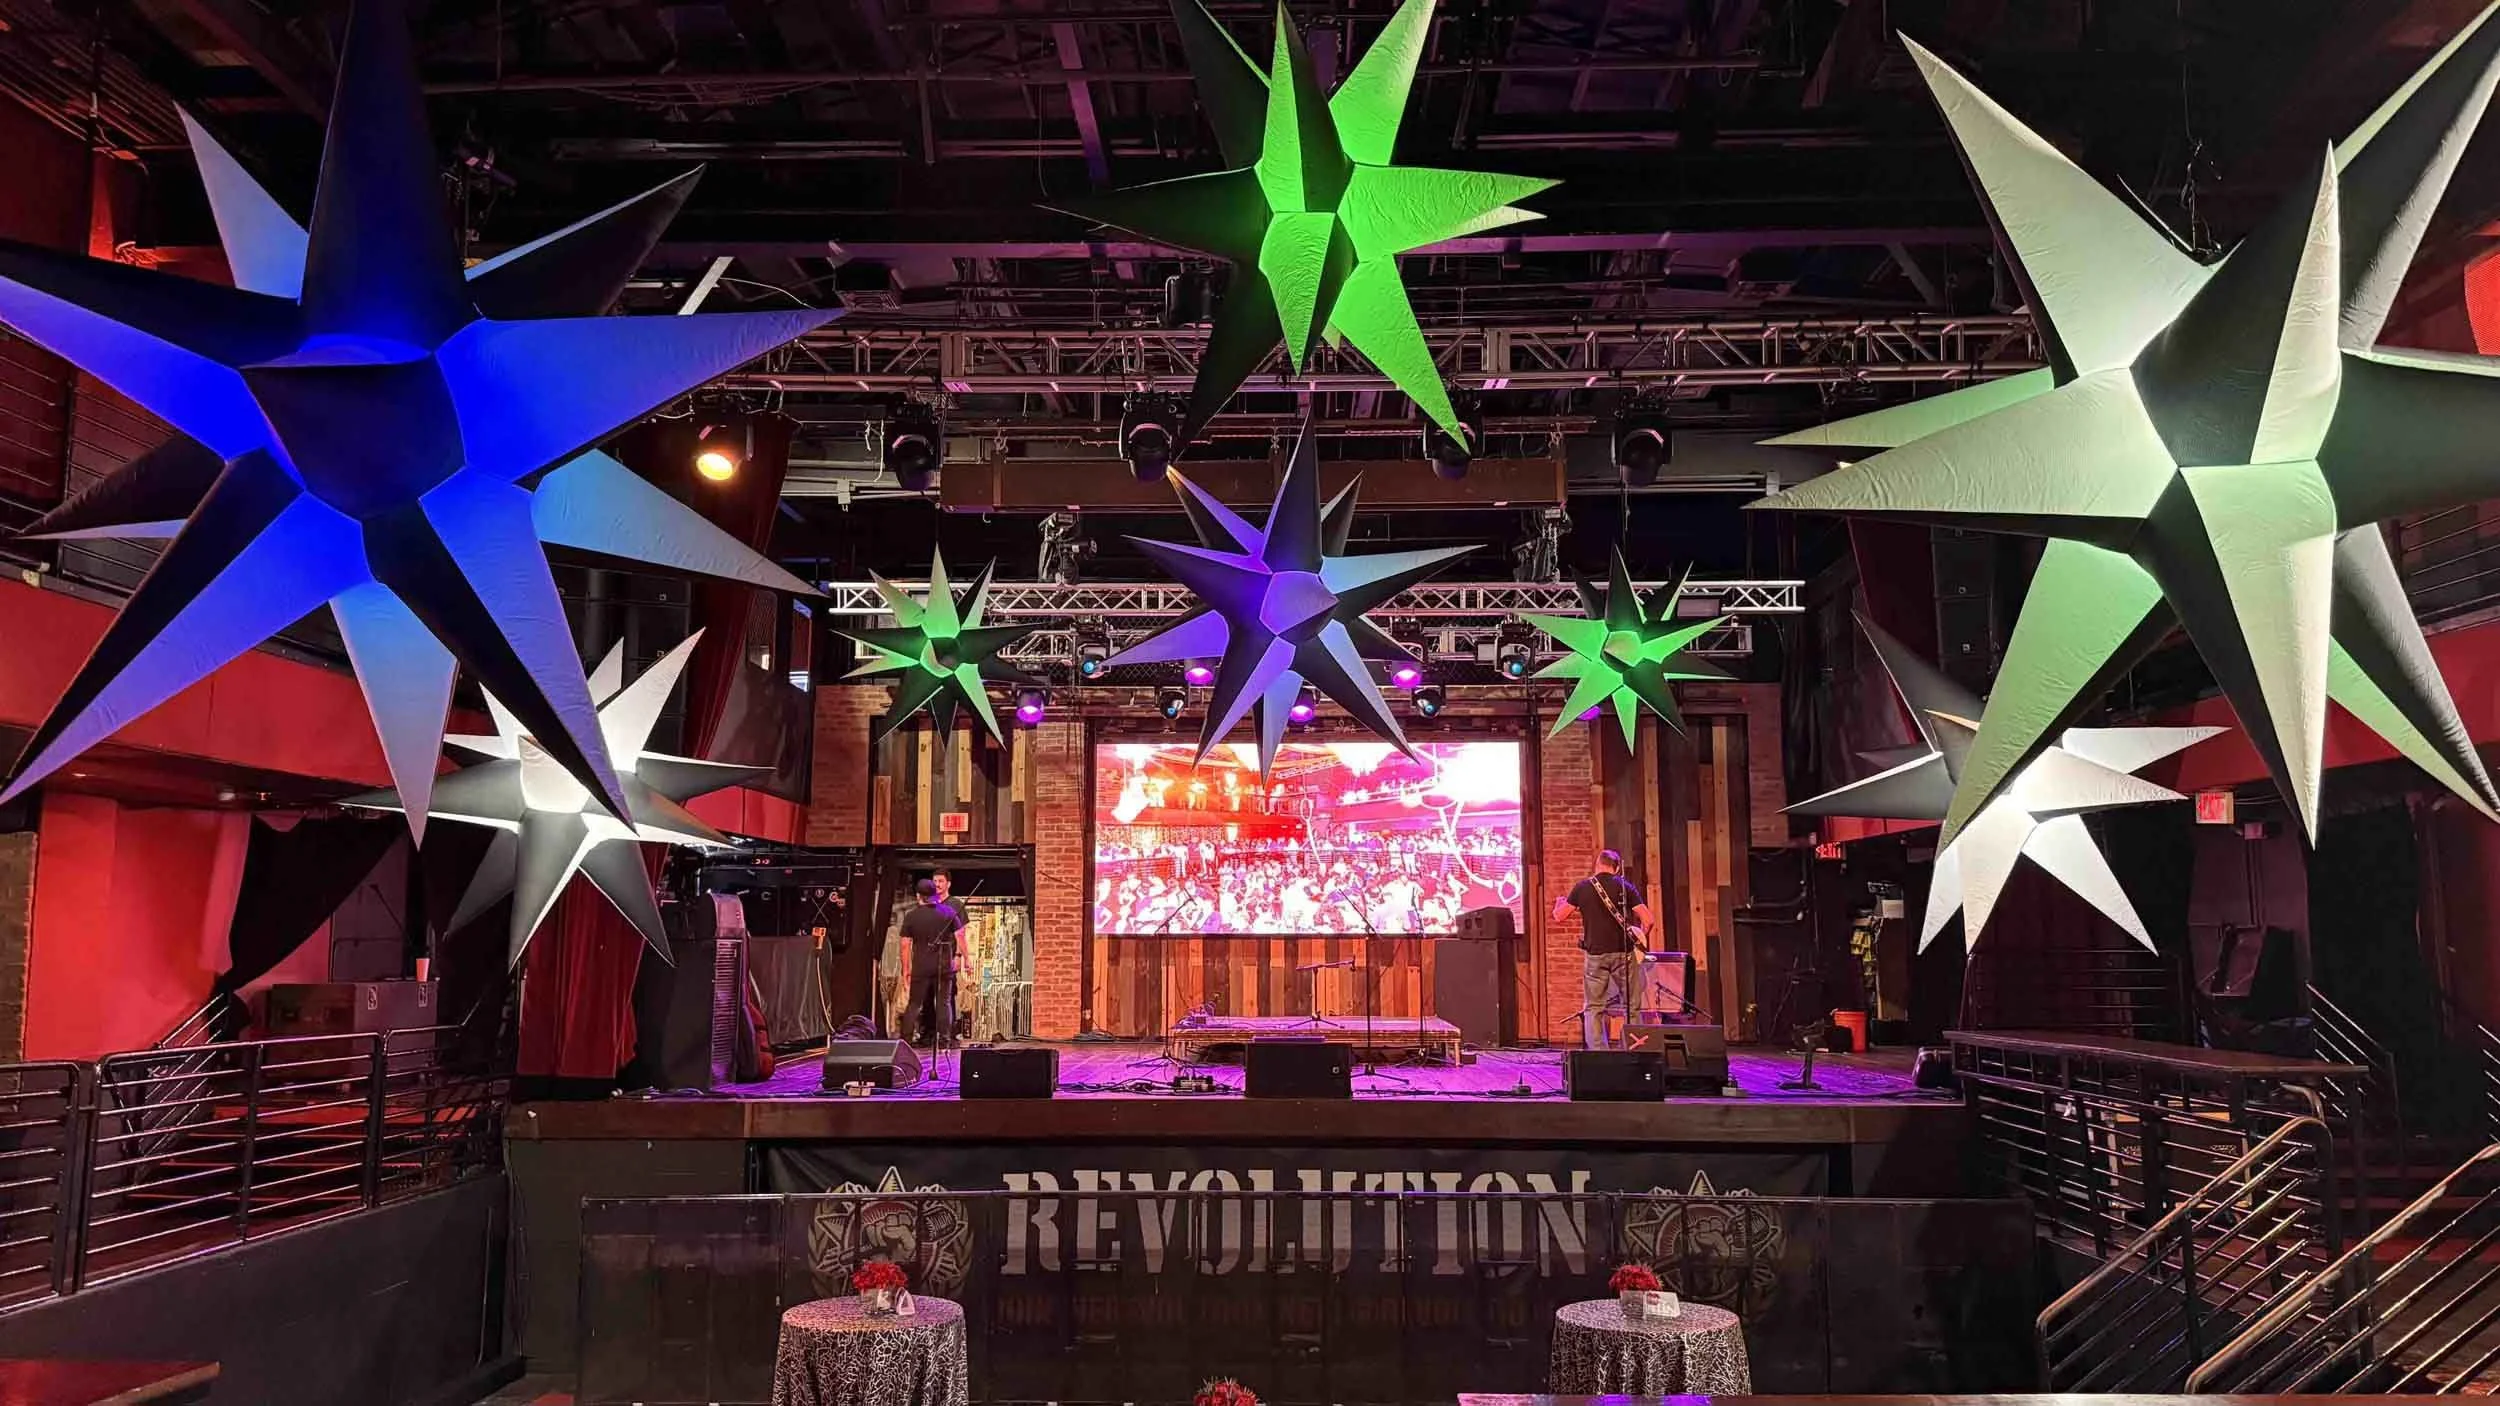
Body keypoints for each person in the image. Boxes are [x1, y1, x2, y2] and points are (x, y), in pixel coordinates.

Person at [1555, 849, 1654, 1050]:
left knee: (1594, 1007)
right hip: (1623, 955)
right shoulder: (1625, 887)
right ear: (1616, 869)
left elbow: (1559, 916)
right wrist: (1640, 936)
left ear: (1597, 865)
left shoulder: (1582, 887)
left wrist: (1559, 903)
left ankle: (1599, 1053)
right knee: (1632, 1005)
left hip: (1595, 955)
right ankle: (1634, 1049)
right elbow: (1649, 920)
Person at [899, 878, 963, 1048]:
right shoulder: (948, 912)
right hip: (944, 965)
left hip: (921, 966)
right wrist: (963, 957)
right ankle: (944, 1041)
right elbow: (960, 935)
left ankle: (905, 1041)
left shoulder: (911, 916)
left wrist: (906, 970)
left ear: (918, 896)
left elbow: (905, 945)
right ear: (935, 894)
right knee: (943, 1003)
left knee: (914, 1003)